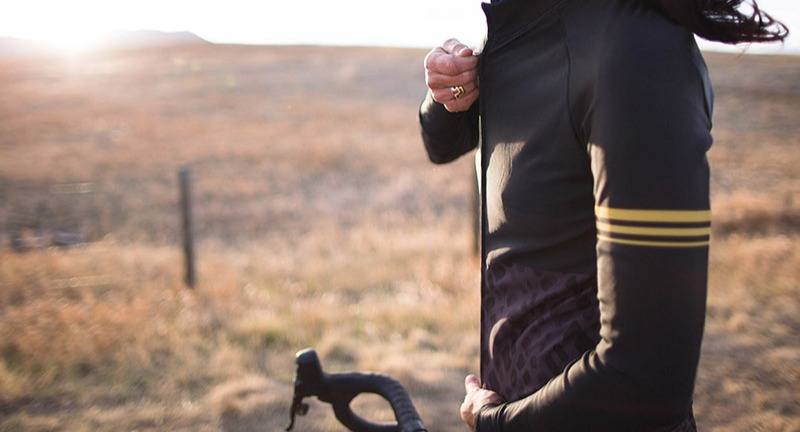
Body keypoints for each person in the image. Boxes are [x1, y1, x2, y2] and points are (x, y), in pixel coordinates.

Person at [418, 0, 787, 431]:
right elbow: (439, 147)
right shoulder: (515, 33)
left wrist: (495, 423)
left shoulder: (634, 51)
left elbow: (648, 375)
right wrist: (446, 93)